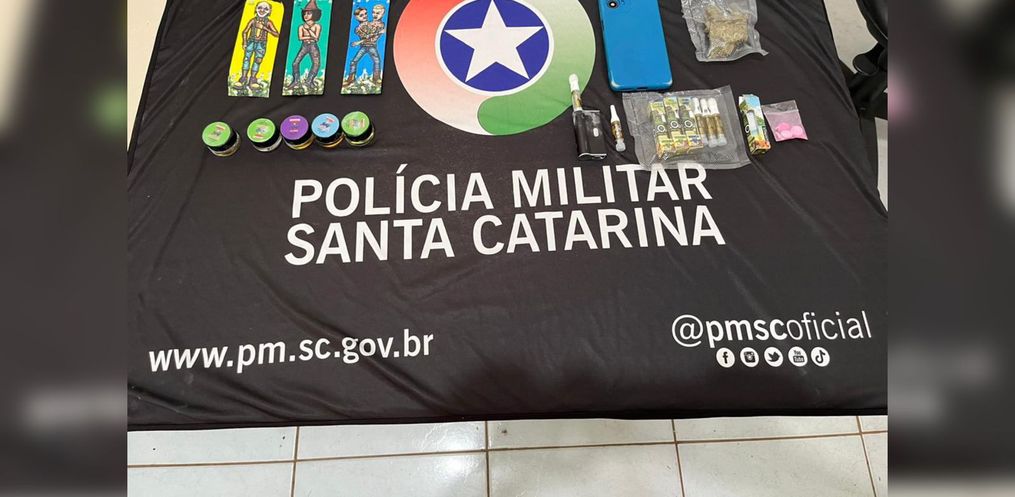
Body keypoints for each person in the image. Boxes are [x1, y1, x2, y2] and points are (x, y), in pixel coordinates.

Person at [236, 1, 280, 89]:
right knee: (246, 59)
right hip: (250, 42)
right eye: (260, 8)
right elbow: (244, 31)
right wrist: (244, 42)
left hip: (261, 44)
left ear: (269, 11)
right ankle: (243, 78)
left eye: (265, 9)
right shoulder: (253, 20)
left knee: (257, 61)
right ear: (256, 9)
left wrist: (264, 28)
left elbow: (277, 34)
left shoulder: (268, 22)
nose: (262, 10)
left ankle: (252, 79)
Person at [286, 0, 323, 92]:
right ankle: (296, 81)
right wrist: (310, 36)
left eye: (309, 13)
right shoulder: (301, 26)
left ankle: (309, 81)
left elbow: (316, 38)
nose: (306, 16)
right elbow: (300, 37)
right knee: (295, 63)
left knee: (316, 63)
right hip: (304, 46)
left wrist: (309, 30)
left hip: (313, 46)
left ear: (315, 14)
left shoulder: (317, 26)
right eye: (305, 13)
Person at [345, 4, 386, 86]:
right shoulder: (358, 29)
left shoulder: (373, 24)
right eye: (361, 15)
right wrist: (378, 32)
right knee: (354, 61)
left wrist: (359, 42)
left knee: (377, 61)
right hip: (364, 47)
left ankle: (376, 78)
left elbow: (373, 37)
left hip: (372, 46)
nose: (365, 16)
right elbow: (367, 36)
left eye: (366, 14)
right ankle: (351, 78)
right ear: (356, 18)